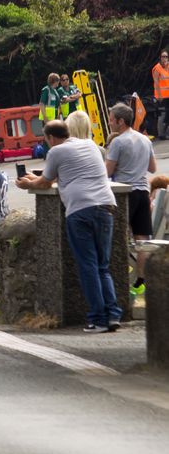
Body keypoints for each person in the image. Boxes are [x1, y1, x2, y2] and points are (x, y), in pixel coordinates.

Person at [17, 119, 122, 333]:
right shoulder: (90, 145)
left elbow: (45, 182)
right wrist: (42, 179)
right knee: (103, 266)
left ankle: (98, 320)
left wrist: (28, 183)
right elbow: (74, 174)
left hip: (80, 210)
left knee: (88, 266)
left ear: (51, 138)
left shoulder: (56, 151)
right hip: (106, 205)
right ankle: (112, 315)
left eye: (46, 141)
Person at [106, 103, 156, 294]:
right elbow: (152, 168)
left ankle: (121, 273)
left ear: (120, 121)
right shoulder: (145, 140)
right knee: (142, 239)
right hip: (143, 192)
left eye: (111, 119)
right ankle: (141, 281)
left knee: (118, 236)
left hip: (125, 192)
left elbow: (108, 172)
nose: (110, 123)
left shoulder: (118, 142)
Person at [154, 50, 169, 140]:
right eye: (163, 56)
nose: (165, 58)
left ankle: (165, 133)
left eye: (166, 56)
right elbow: (156, 82)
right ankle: (161, 134)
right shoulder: (157, 68)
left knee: (167, 114)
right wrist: (159, 96)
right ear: (160, 58)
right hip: (161, 97)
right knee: (162, 114)